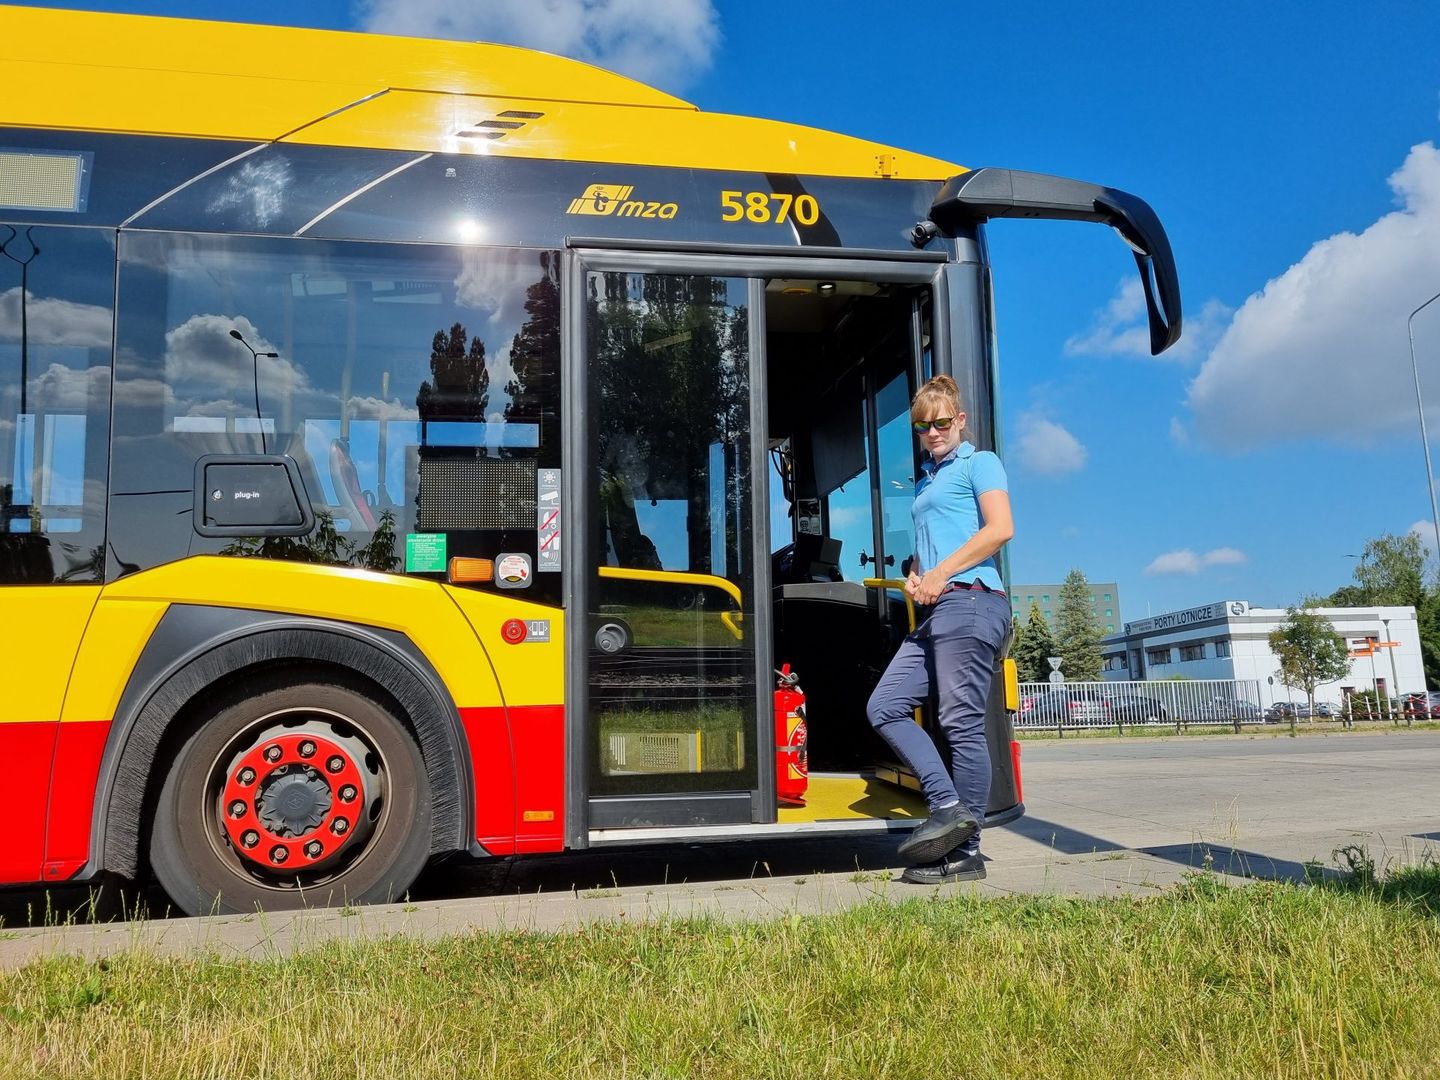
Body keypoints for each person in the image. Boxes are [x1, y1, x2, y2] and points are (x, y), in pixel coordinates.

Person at [866, 374, 1013, 884]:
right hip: (937, 611)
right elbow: (936, 546)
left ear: (960, 420)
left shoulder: (980, 462)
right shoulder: (928, 479)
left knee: (960, 724)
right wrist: (917, 571)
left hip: (973, 603)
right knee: (884, 706)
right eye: (923, 426)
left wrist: (941, 572)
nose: (933, 432)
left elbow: (1000, 529)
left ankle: (966, 853)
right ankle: (947, 806)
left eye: (942, 422)